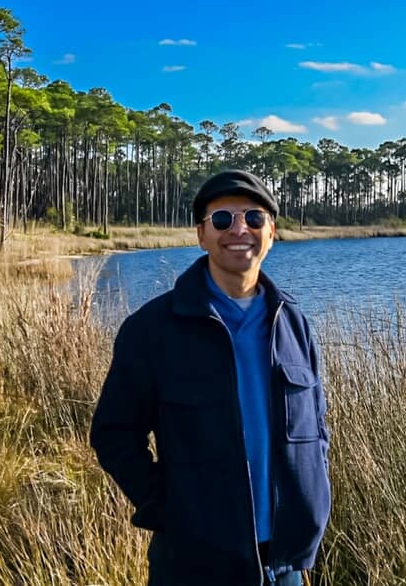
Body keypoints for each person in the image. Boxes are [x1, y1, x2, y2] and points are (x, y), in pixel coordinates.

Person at [90, 170, 331, 585]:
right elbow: (113, 435)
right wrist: (170, 511)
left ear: (271, 232)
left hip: (284, 562)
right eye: (223, 219)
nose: (240, 229)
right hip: (193, 563)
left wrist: (313, 503)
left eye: (254, 219)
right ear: (202, 235)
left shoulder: (294, 324)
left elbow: (317, 431)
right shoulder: (153, 329)